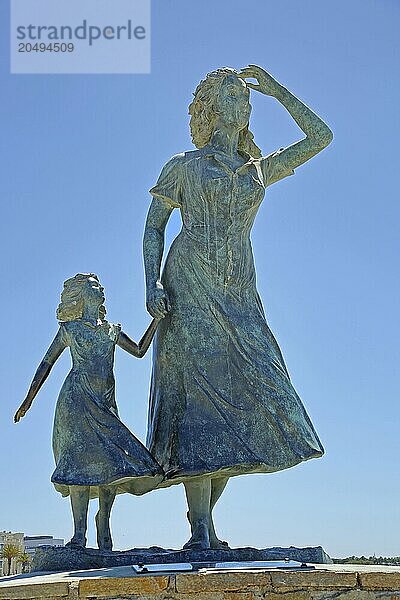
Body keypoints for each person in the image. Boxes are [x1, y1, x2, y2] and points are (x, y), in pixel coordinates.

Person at [143, 65, 333, 549]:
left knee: (258, 386)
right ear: (210, 109)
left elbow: (320, 137)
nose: (243, 101)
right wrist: (151, 286)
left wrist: (278, 90)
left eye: (245, 97)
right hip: (189, 280)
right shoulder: (183, 164)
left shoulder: (257, 170)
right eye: (232, 95)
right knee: (197, 403)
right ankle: (201, 529)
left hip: (239, 286)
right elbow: (154, 226)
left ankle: (205, 522)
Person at [14, 273, 164, 550]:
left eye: (100, 286)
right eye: (94, 287)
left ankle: (104, 523)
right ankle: (78, 534)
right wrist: (29, 399)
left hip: (105, 403)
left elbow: (141, 351)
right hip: (76, 401)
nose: (101, 290)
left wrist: (157, 319)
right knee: (78, 467)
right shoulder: (70, 329)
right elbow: (46, 364)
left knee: (112, 464)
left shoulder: (111, 330)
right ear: (81, 295)